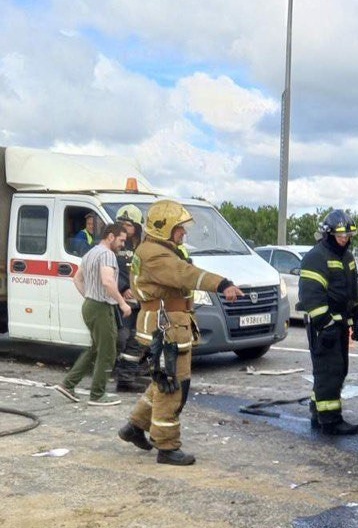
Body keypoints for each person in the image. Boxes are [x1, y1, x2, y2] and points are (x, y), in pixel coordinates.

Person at [118, 199, 243, 465]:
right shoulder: (155, 253)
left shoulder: (156, 249)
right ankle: (166, 446)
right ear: (164, 228)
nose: (184, 233)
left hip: (170, 324)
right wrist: (222, 284)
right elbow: (184, 274)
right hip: (166, 328)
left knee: (162, 380)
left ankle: (135, 427)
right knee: (172, 386)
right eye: (179, 228)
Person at [298, 209, 358, 436]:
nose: (345, 240)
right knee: (330, 372)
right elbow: (311, 295)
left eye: (347, 236)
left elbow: (353, 287)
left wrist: (357, 314)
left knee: (337, 370)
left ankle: (318, 410)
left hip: (339, 323)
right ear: (328, 234)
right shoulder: (316, 256)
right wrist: (324, 324)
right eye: (340, 236)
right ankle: (330, 420)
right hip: (323, 326)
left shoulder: (347, 257)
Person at [55, 222, 131, 407]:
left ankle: (67, 384)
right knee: (108, 351)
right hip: (101, 307)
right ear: (111, 237)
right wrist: (122, 303)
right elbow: (107, 281)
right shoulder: (107, 254)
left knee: (96, 348)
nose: (123, 244)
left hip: (90, 305)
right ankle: (97, 395)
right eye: (121, 240)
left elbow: (77, 279)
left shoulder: (91, 253)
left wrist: (89, 296)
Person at [113, 203, 148, 393]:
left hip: (141, 299)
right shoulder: (115, 244)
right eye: (121, 223)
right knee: (124, 338)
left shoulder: (142, 246)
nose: (124, 228)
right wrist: (124, 287)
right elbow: (110, 270)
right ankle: (124, 377)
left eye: (128, 225)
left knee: (140, 338)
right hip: (122, 299)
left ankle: (133, 373)